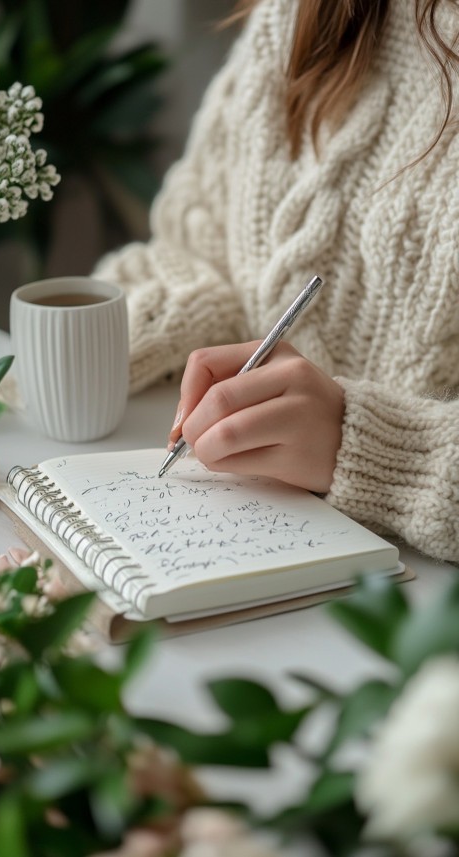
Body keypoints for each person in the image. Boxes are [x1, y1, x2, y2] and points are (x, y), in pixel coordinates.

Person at [94, 0, 459, 562]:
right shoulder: (302, 12)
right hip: (258, 539)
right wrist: (97, 347)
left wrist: (380, 453)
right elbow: (201, 246)